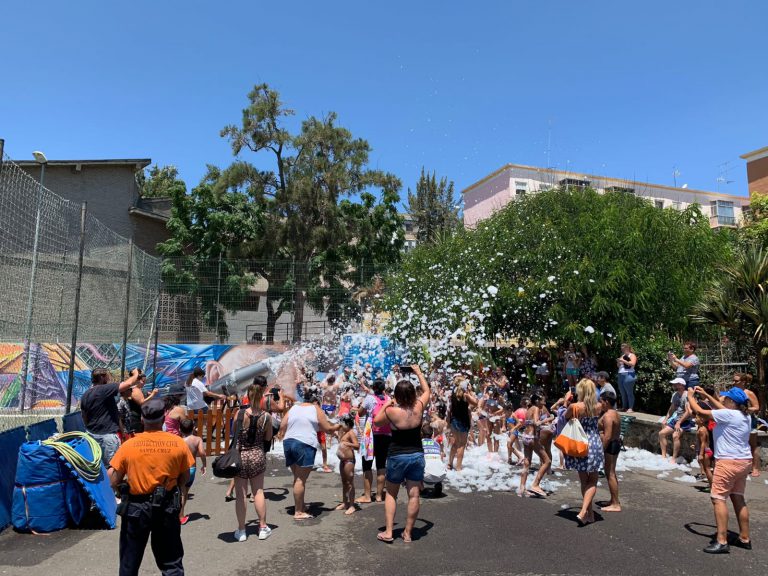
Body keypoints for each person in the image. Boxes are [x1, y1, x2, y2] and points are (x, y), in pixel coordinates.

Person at [109, 397, 194, 576]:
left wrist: (123, 486)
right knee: (171, 562)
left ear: (142, 419)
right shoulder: (178, 444)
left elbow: (112, 479)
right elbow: (185, 477)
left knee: (129, 563)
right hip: (167, 506)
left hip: (136, 508)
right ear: (164, 418)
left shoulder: (129, 446)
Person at [687, 386, 753, 554]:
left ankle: (721, 540)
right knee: (738, 498)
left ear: (732, 402)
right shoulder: (745, 415)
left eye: (726, 399)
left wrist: (690, 397)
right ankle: (745, 538)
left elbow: (700, 411)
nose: (723, 400)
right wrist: (706, 394)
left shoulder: (728, 414)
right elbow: (722, 409)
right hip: (743, 461)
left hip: (727, 462)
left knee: (718, 498)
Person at [373, 364, 430, 543]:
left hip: (397, 456)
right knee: (414, 495)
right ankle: (408, 533)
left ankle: (389, 532)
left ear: (397, 395)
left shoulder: (392, 411)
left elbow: (376, 422)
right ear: (413, 394)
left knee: (391, 494)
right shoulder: (419, 407)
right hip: (416, 456)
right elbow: (427, 390)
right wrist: (418, 372)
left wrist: (386, 404)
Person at [277, 386, 340, 520]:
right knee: (300, 479)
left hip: (288, 443)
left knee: (297, 478)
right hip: (304, 444)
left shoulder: (294, 408)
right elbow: (327, 428)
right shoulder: (315, 408)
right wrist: (338, 426)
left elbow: (282, 425)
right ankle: (299, 511)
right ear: (315, 400)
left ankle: (300, 506)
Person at [232, 382, 273, 541]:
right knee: (258, 492)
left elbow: (234, 432)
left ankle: (242, 530)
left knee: (241, 495)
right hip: (257, 454)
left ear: (248, 397)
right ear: (261, 397)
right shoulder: (266, 416)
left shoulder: (240, 414)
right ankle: (262, 527)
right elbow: (268, 438)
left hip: (241, 455)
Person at [81, 367, 143, 469]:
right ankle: (112, 485)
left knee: (98, 467)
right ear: (102, 377)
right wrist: (135, 374)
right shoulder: (104, 389)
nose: (109, 379)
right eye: (107, 376)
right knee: (112, 467)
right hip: (107, 436)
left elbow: (84, 416)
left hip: (92, 435)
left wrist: (122, 431)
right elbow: (127, 384)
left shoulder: (86, 394)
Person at [563, 379, 604, 525]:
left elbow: (564, 417)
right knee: (592, 480)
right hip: (595, 443)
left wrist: (565, 403)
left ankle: (583, 511)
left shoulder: (575, 406)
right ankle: (590, 514)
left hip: (580, 443)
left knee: (584, 480)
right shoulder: (599, 406)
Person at [357, 378, 392, 503]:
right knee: (381, 465)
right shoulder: (388, 399)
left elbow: (360, 413)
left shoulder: (369, 399)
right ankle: (378, 495)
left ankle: (367, 496)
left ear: (373, 388)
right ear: (383, 388)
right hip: (386, 435)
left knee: (367, 464)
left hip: (370, 435)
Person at [517, 392, 552, 498]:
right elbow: (536, 423)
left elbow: (529, 422)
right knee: (547, 461)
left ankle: (522, 489)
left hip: (525, 437)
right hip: (532, 438)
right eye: (542, 400)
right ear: (537, 401)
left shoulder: (529, 409)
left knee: (526, 464)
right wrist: (548, 420)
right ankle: (535, 485)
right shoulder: (536, 408)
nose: (544, 402)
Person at [732, 373, 762, 477]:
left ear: (743, 382)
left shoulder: (749, 393)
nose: (734, 383)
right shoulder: (732, 392)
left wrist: (746, 409)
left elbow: (757, 407)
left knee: (752, 445)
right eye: (733, 380)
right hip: (736, 421)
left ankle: (755, 468)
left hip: (749, 421)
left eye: (736, 381)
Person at [659, 378, 694, 463]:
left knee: (675, 435)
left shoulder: (687, 396)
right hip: (676, 419)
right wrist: (666, 419)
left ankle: (674, 458)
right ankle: (663, 456)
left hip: (686, 421)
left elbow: (688, 412)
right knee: (661, 433)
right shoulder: (675, 394)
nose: (673, 385)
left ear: (682, 385)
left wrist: (679, 422)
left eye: (676, 384)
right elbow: (672, 408)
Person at [447, 376, 478, 471]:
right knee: (461, 445)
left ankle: (449, 464)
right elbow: (476, 403)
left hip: (454, 420)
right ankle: (458, 467)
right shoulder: (465, 395)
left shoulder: (453, 393)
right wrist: (469, 392)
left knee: (455, 443)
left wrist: (448, 421)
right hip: (463, 422)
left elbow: (450, 408)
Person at [179, 418, 206, 525]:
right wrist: (204, 464)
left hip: (181, 469)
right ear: (193, 428)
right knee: (184, 493)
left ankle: (178, 514)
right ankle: (181, 515)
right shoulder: (197, 439)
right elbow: (202, 453)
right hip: (191, 469)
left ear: (180, 429)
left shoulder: (179, 440)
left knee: (181, 492)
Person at [598, 390, 621, 512]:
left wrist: (601, 450)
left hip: (610, 445)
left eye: (601, 401)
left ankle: (616, 504)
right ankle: (613, 499)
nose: (599, 403)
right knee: (611, 473)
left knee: (610, 474)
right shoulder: (614, 413)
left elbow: (607, 435)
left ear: (606, 402)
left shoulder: (608, 416)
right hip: (615, 444)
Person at [335, 413, 360, 515]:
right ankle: (345, 503)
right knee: (344, 482)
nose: (341, 425)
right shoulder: (344, 433)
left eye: (343, 423)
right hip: (343, 461)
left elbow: (357, 446)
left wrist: (348, 444)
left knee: (350, 482)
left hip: (349, 461)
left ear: (348, 424)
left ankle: (352, 505)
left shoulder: (351, 433)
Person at [616, 343, 637, 413]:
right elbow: (619, 366)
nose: (622, 350)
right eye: (621, 349)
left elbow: (632, 363)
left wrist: (623, 361)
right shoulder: (622, 356)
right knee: (622, 392)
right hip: (621, 374)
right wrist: (618, 362)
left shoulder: (632, 355)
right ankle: (624, 407)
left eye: (623, 348)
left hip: (629, 374)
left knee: (629, 392)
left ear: (627, 348)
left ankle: (631, 408)